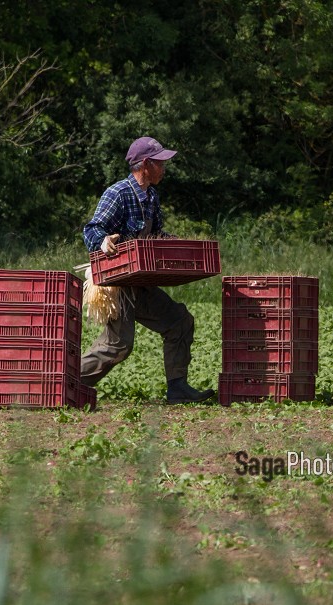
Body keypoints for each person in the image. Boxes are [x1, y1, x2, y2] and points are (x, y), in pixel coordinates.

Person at [79, 136, 214, 404]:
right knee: (118, 345)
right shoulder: (118, 193)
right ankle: (67, 382)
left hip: (140, 281)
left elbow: (155, 234)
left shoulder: (151, 195)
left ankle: (177, 388)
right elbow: (92, 229)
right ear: (145, 164)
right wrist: (103, 241)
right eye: (160, 162)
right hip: (117, 283)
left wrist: (175, 243)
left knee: (179, 321)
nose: (164, 168)